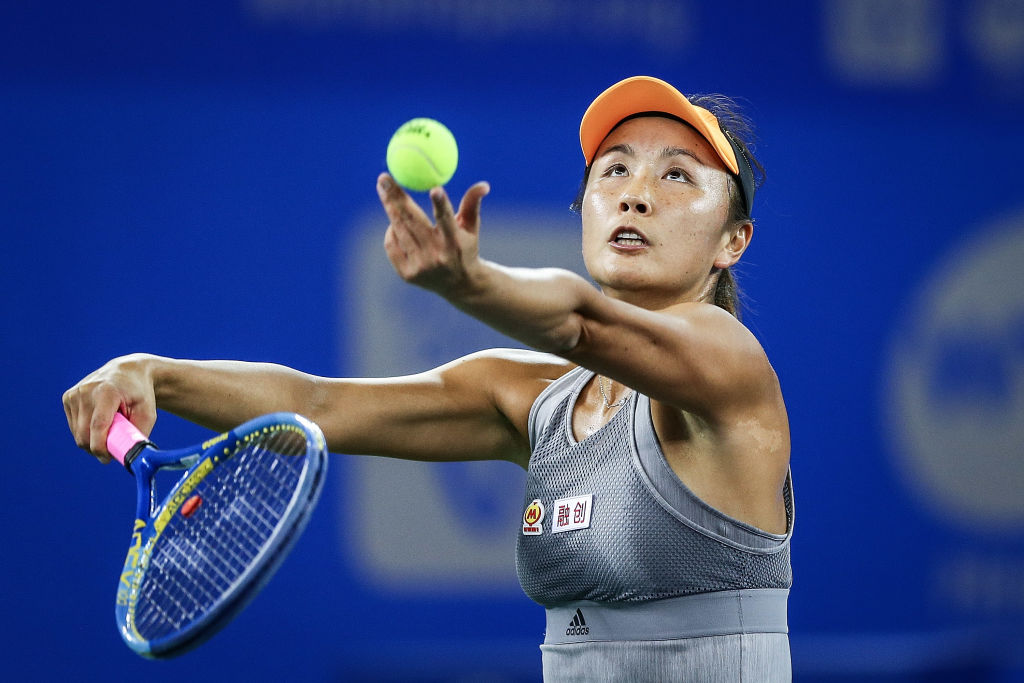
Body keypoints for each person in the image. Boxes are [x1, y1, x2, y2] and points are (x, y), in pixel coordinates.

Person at [63, 76, 793, 681]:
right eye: (615, 169)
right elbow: (315, 405)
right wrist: (154, 374)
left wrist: (471, 283)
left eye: (677, 175)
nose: (636, 194)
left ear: (734, 241)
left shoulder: (727, 364)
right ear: (585, 211)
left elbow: (580, 322)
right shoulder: (531, 401)